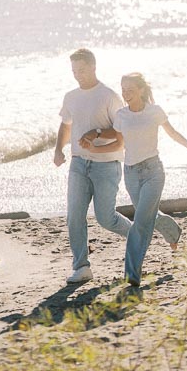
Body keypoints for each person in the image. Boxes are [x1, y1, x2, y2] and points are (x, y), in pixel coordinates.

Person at [110, 71, 187, 287]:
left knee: (141, 222)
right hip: (131, 173)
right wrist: (93, 149)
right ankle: (173, 231)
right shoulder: (121, 115)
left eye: (130, 90)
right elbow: (118, 144)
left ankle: (132, 273)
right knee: (148, 215)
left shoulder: (155, 112)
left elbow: (173, 134)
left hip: (153, 172)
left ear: (142, 90)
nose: (126, 93)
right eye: (123, 89)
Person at [53, 47, 133, 285]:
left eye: (82, 70)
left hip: (106, 165)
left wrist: (96, 132)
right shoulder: (71, 97)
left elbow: (122, 129)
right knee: (74, 216)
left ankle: (137, 236)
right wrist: (58, 149)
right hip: (78, 164)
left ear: (94, 67)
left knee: (105, 218)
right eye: (74, 70)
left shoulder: (108, 96)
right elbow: (66, 125)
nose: (78, 74)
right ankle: (81, 267)